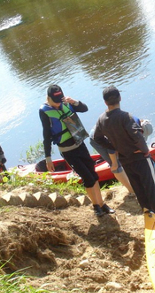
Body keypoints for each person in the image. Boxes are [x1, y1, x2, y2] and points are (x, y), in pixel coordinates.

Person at [39, 84, 115, 217]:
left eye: (59, 101)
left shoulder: (66, 103)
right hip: (68, 151)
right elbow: (46, 135)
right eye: (55, 102)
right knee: (88, 178)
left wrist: (74, 102)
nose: (58, 104)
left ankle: (102, 204)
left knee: (94, 175)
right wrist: (48, 158)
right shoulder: (44, 111)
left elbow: (84, 108)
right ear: (49, 98)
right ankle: (96, 206)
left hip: (80, 145)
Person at [92, 86, 155, 218]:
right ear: (120, 98)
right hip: (140, 158)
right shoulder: (126, 116)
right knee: (153, 189)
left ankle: (149, 216)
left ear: (105, 102)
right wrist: (145, 151)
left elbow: (96, 138)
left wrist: (113, 147)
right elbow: (136, 135)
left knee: (139, 189)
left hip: (125, 161)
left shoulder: (101, 119)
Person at [89, 117, 153, 194]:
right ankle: (132, 191)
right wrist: (114, 162)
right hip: (97, 138)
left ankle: (132, 183)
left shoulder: (134, 124)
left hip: (109, 134)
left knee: (122, 157)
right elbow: (111, 147)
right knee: (116, 166)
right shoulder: (125, 129)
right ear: (140, 129)